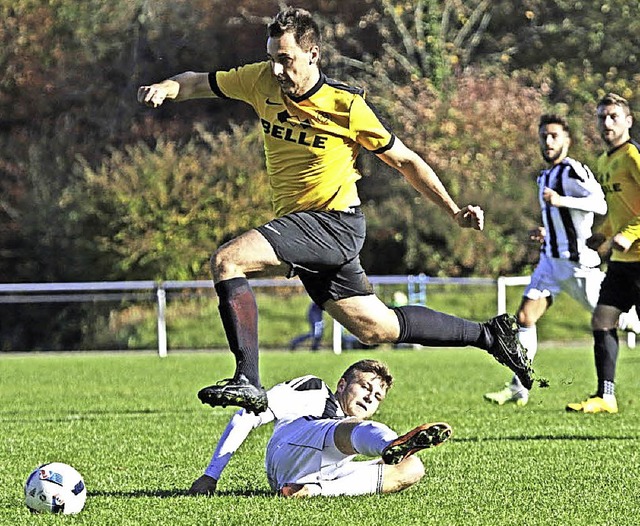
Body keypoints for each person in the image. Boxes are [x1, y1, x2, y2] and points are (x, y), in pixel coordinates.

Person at [138, 7, 533, 414]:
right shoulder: (259, 80)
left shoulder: (345, 105)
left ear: (313, 55)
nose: (276, 68)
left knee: (227, 260)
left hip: (334, 224)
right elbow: (195, 82)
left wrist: (452, 211)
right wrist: (168, 88)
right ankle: (489, 335)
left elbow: (406, 161)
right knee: (375, 327)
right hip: (305, 228)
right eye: (272, 56)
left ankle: (247, 379)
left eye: (285, 58)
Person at [187, 359, 452, 497]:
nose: (370, 397)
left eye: (378, 397)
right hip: (291, 448)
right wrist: (211, 475)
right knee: (349, 428)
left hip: (323, 471)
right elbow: (249, 414)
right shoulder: (314, 389)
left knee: (413, 468)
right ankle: (390, 445)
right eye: (364, 387)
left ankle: (309, 492)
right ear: (341, 384)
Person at [484, 114, 608, 406]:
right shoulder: (544, 177)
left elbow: (599, 203)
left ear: (567, 140)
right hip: (550, 262)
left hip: (577, 264)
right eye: (544, 136)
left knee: (619, 319)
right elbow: (561, 218)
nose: (548, 141)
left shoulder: (572, 170)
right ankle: (518, 386)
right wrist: (546, 230)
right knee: (525, 318)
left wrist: (562, 201)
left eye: (554, 136)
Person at [567, 93, 640, 414]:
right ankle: (606, 396)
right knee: (602, 320)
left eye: (613, 116)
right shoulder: (604, 160)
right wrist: (605, 233)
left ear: (628, 120)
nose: (606, 123)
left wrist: (628, 235)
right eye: (601, 117)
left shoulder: (633, 156)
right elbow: (620, 211)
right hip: (623, 263)